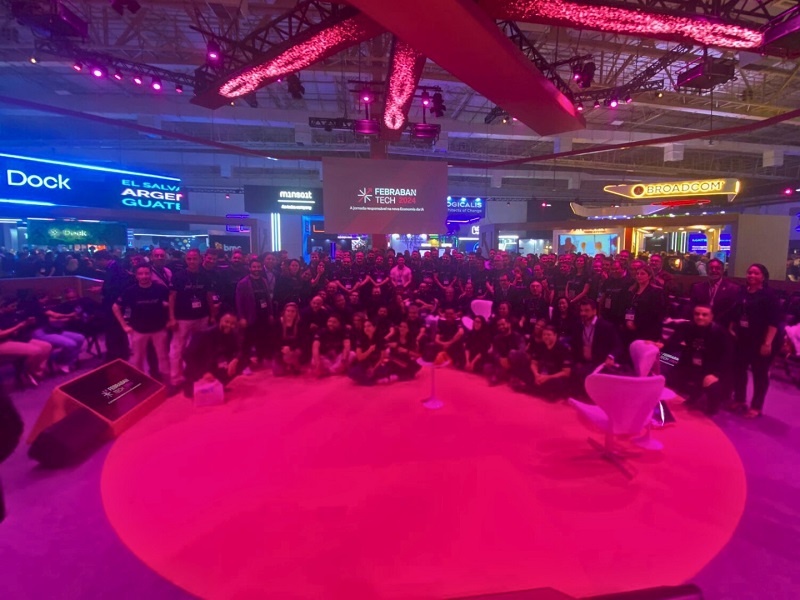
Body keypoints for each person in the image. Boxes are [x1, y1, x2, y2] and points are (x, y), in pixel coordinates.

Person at [729, 264, 782, 418]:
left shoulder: (769, 295)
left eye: (756, 273)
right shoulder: (742, 291)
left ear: (763, 277)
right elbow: (737, 311)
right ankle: (740, 399)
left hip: (761, 340)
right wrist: (732, 327)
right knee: (739, 370)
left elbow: (774, 321)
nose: (751, 275)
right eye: (749, 272)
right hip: (743, 338)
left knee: (760, 374)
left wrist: (767, 343)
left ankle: (756, 406)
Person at [663, 304, 731, 416]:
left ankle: (712, 407)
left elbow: (727, 356)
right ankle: (695, 394)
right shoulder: (687, 327)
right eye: (697, 314)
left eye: (704, 315)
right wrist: (659, 345)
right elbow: (672, 343)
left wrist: (716, 374)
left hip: (712, 369)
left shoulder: (720, 332)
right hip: (692, 364)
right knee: (671, 376)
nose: (700, 317)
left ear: (711, 317)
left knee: (713, 386)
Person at [168, 249, 217, 392]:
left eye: (194, 258)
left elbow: (209, 297)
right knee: (177, 349)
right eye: (189, 259)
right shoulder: (178, 276)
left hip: (202, 316)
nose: (192, 261)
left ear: (200, 259)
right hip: (182, 318)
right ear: (186, 260)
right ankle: (176, 379)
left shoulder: (205, 276)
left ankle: (199, 373)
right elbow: (172, 297)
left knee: (202, 347)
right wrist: (172, 318)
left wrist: (212, 315)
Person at [113, 264, 169, 379]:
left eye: (146, 273)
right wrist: (124, 325)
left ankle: (161, 379)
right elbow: (115, 307)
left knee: (162, 357)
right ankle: (140, 379)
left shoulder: (161, 289)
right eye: (140, 274)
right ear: (136, 275)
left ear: (151, 274)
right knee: (138, 359)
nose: (144, 276)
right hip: (139, 330)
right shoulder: (130, 291)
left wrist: (169, 319)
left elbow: (170, 304)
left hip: (159, 329)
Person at [182, 312, 242, 399]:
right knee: (194, 393)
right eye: (227, 322)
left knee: (241, 361)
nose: (229, 325)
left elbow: (238, 349)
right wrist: (203, 373)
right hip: (199, 368)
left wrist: (235, 359)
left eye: (232, 324)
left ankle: (220, 382)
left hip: (214, 365)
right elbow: (187, 355)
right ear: (220, 320)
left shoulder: (232, 334)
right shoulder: (204, 334)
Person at [570, 299, 620, 390]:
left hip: (600, 364)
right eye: (581, 310)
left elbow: (617, 346)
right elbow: (574, 345)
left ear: (594, 311)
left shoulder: (606, 327)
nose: (583, 313)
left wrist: (611, 357)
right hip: (582, 363)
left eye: (586, 310)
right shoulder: (578, 325)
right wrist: (577, 361)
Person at [94, 249, 134, 362]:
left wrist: (102, 290)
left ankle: (114, 357)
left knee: (113, 330)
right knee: (119, 329)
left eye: (97, 261)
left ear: (102, 259)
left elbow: (115, 288)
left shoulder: (114, 269)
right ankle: (123, 353)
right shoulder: (116, 267)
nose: (96, 264)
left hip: (113, 304)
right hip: (117, 303)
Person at [0, 300, 51, 386]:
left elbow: (17, 327)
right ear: (3, 307)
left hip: (18, 338)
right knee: (36, 351)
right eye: (12, 306)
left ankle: (35, 371)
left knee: (47, 346)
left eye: (15, 306)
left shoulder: (13, 314)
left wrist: (28, 323)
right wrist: (17, 327)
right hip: (4, 342)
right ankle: (28, 372)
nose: (14, 308)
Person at [236, 258, 274, 368]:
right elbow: (239, 301)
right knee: (247, 340)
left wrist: (270, 313)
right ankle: (245, 363)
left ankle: (261, 359)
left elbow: (268, 299)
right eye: (254, 267)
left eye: (258, 267)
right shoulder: (243, 283)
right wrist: (242, 317)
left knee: (262, 338)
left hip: (264, 314)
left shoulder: (264, 281)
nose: (256, 269)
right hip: (251, 315)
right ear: (250, 268)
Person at [527, 325, 572, 401]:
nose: (546, 337)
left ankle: (540, 390)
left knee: (559, 382)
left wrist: (548, 377)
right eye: (544, 334)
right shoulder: (540, 346)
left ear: (555, 335)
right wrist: (536, 374)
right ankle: (542, 390)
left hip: (554, 377)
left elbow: (566, 372)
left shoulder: (563, 349)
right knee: (526, 371)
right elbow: (534, 363)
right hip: (541, 375)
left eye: (549, 335)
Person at [689, 258, 739, 325]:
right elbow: (692, 308)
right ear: (706, 271)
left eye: (717, 268)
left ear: (722, 271)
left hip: (723, 325)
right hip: (701, 324)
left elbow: (734, 312)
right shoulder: (698, 288)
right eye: (711, 268)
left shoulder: (732, 289)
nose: (714, 270)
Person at [624, 266, 665, 344]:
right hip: (630, 328)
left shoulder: (656, 292)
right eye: (637, 273)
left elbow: (656, 314)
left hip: (647, 329)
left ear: (649, 276)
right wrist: (628, 321)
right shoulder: (632, 290)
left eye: (642, 274)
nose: (639, 276)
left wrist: (637, 324)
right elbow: (628, 307)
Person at [348, 319, 390, 385]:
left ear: (374, 328)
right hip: (364, 364)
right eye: (365, 326)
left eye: (369, 326)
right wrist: (369, 350)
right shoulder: (360, 340)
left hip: (376, 364)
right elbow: (360, 358)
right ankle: (372, 380)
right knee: (352, 372)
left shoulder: (380, 339)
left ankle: (367, 380)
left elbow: (381, 358)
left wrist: (373, 369)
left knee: (385, 370)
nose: (366, 328)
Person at [273, 302, 304, 376]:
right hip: (281, 349)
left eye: (293, 311)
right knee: (278, 373)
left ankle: (295, 365)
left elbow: (302, 340)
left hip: (295, 349)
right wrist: (282, 348)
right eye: (288, 311)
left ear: (296, 313)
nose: (290, 313)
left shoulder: (300, 323)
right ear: (284, 311)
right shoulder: (277, 323)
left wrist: (290, 348)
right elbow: (274, 339)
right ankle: (288, 364)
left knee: (289, 356)